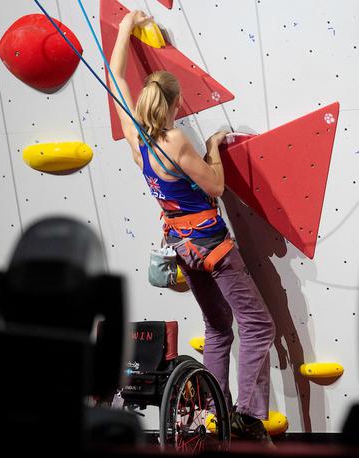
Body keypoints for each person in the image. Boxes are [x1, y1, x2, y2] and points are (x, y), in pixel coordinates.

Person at [109, 10, 275, 443]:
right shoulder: (175, 141)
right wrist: (214, 146)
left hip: (184, 248)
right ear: (175, 104)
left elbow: (114, 77)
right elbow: (216, 187)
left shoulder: (135, 138)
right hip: (214, 248)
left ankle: (212, 414)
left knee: (219, 328)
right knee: (258, 326)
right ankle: (246, 414)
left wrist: (125, 30)